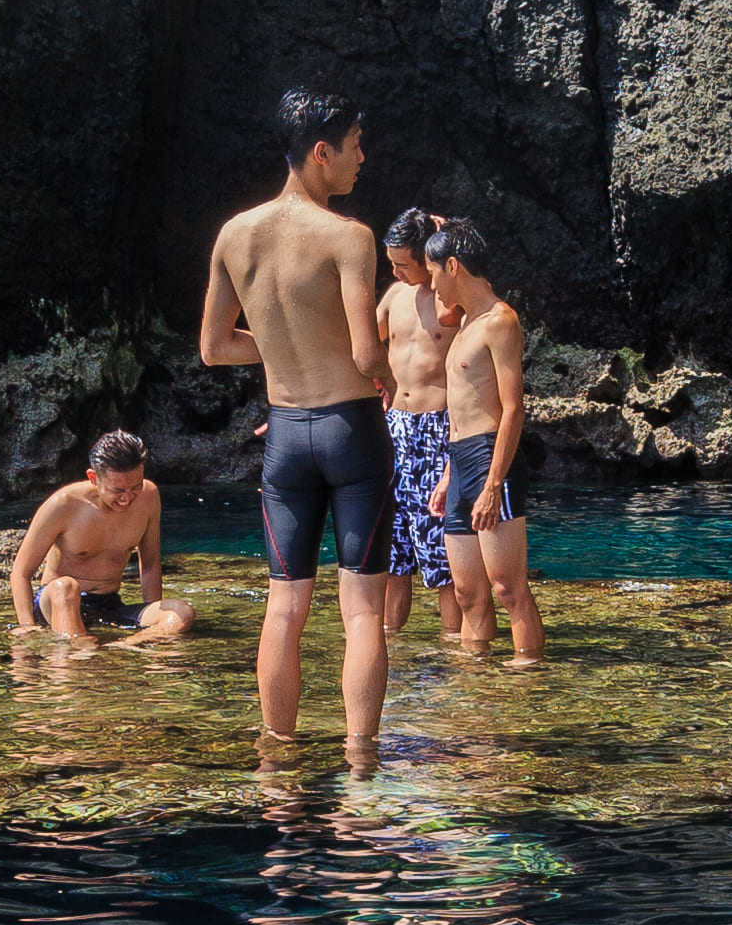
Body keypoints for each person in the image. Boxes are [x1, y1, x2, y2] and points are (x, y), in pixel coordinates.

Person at [197, 88, 401, 766]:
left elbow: (216, 347)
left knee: (284, 606)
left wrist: (286, 345)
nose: (361, 159)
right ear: (322, 153)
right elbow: (367, 355)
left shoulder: (235, 234)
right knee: (363, 609)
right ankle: (360, 761)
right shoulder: (349, 236)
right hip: (349, 430)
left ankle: (277, 760)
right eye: (355, 145)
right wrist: (390, 381)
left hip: (284, 436)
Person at [426, 220, 541, 666]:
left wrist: (493, 484)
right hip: (460, 461)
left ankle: (527, 676)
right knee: (468, 591)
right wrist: (448, 475)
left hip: (493, 459)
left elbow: (512, 408)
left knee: (507, 589)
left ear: (453, 266)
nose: (431, 281)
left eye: (435, 270)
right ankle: (478, 682)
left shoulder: (500, 321)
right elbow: (461, 408)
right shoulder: (464, 323)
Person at [2, 431, 193, 644]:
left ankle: (122, 647)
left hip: (109, 604)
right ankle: (81, 651)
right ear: (93, 478)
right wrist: (27, 627)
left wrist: (153, 617)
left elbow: (149, 564)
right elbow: (20, 572)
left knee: (181, 613)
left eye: (135, 487)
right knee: (65, 586)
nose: (127, 498)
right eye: (118, 490)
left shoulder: (149, 497)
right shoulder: (63, 504)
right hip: (58, 602)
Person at [378, 213, 465, 650]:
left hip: (438, 427)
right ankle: (392, 648)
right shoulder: (394, 296)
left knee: (441, 558)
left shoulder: (453, 305)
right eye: (390, 263)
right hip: (397, 427)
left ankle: (454, 646)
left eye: (403, 264)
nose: (395, 272)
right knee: (394, 557)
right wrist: (379, 382)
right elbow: (361, 342)